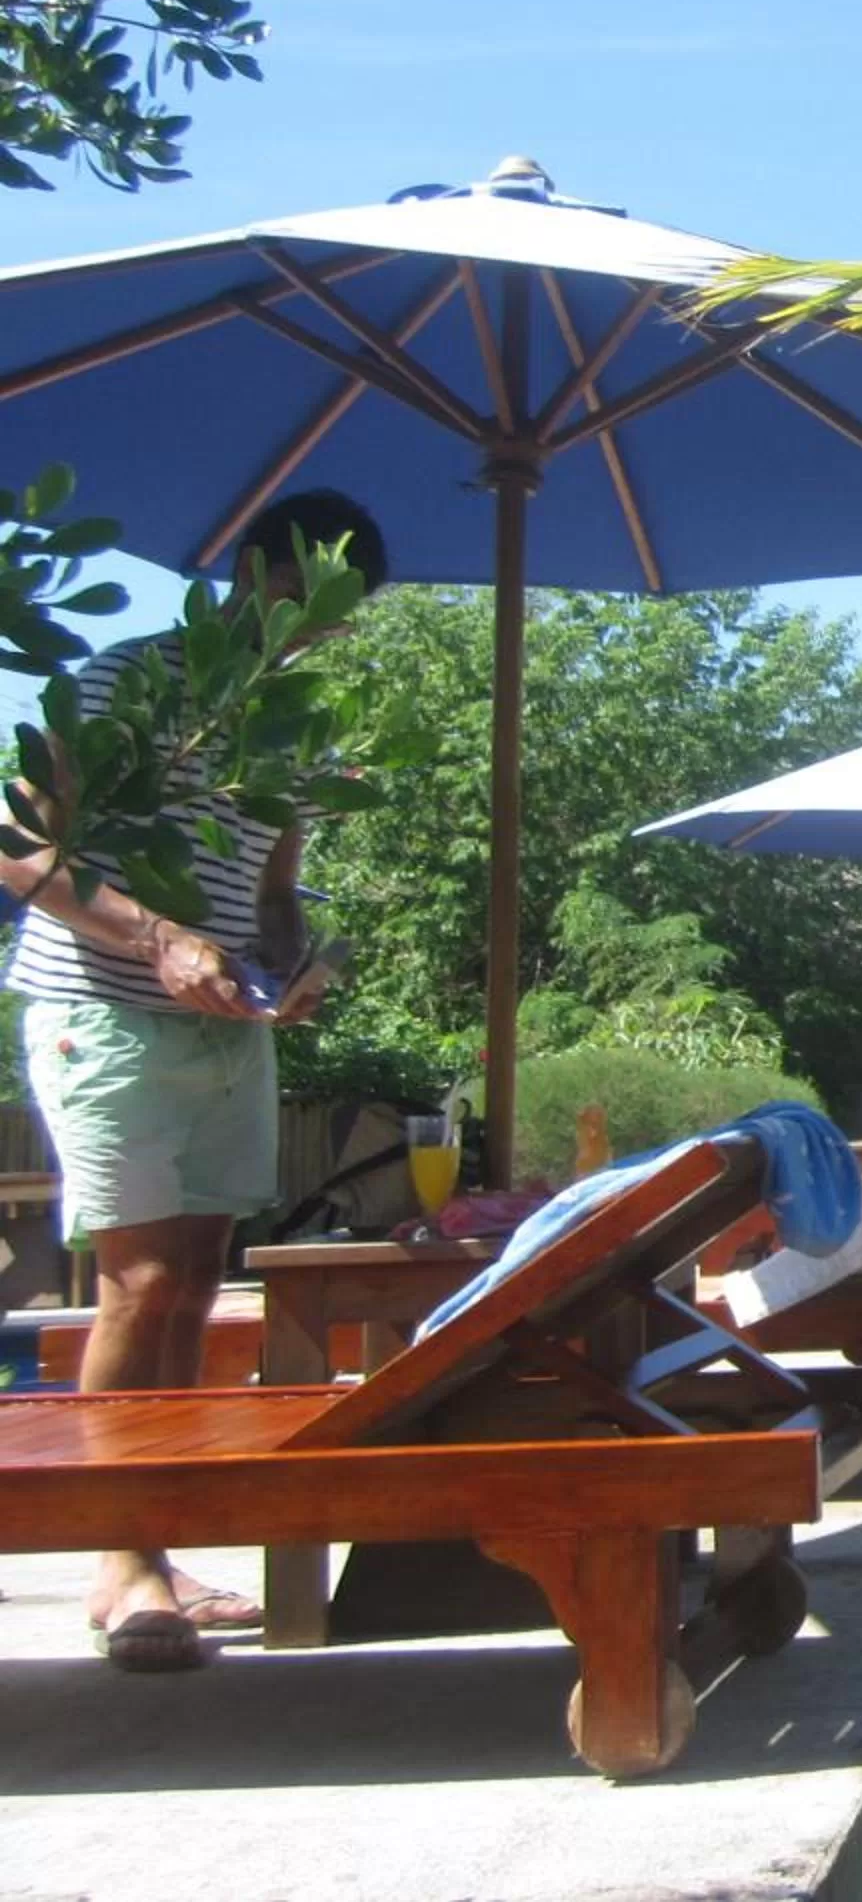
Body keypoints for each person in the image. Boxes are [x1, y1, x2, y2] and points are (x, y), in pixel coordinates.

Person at [0, 489, 389, 1671]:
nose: (312, 630)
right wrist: (157, 937)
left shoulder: (298, 728)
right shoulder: (123, 683)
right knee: (141, 1280)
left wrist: (299, 962)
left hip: (231, 1027)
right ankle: (119, 1565)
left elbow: (271, 893)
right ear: (246, 573)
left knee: (196, 1283)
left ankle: (155, 1544)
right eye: (299, 600)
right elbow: (21, 850)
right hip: (102, 1012)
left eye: (335, 615)